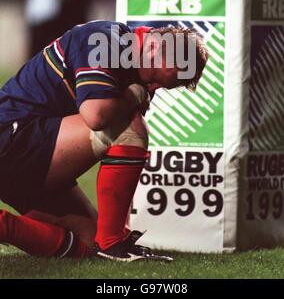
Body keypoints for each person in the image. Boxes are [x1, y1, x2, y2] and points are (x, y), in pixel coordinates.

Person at [0, 20, 208, 261]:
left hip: (29, 153)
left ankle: (5, 226)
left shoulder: (137, 66)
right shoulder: (106, 41)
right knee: (127, 128)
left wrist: (120, 230)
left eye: (162, 86)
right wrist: (134, 96)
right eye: (155, 79)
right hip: (12, 141)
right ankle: (113, 244)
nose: (153, 87)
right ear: (152, 46)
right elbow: (97, 115)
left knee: (89, 242)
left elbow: (124, 166)